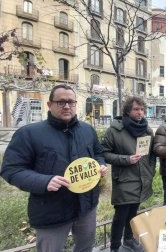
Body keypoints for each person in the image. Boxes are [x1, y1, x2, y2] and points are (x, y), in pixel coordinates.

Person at [0, 84, 108, 252]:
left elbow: (98, 152)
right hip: (51, 209)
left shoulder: (87, 130)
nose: (67, 106)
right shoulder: (29, 133)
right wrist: (44, 181)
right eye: (61, 102)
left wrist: (100, 164)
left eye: (71, 102)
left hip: (86, 206)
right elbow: (11, 169)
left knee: (86, 247)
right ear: (49, 105)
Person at [101, 97, 155, 252]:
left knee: (133, 212)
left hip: (142, 179)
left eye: (142, 109)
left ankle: (129, 239)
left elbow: (151, 154)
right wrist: (126, 159)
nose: (140, 113)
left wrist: (151, 171)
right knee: (120, 215)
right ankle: (115, 247)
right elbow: (104, 153)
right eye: (136, 109)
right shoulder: (115, 129)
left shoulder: (147, 129)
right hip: (124, 179)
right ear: (127, 111)